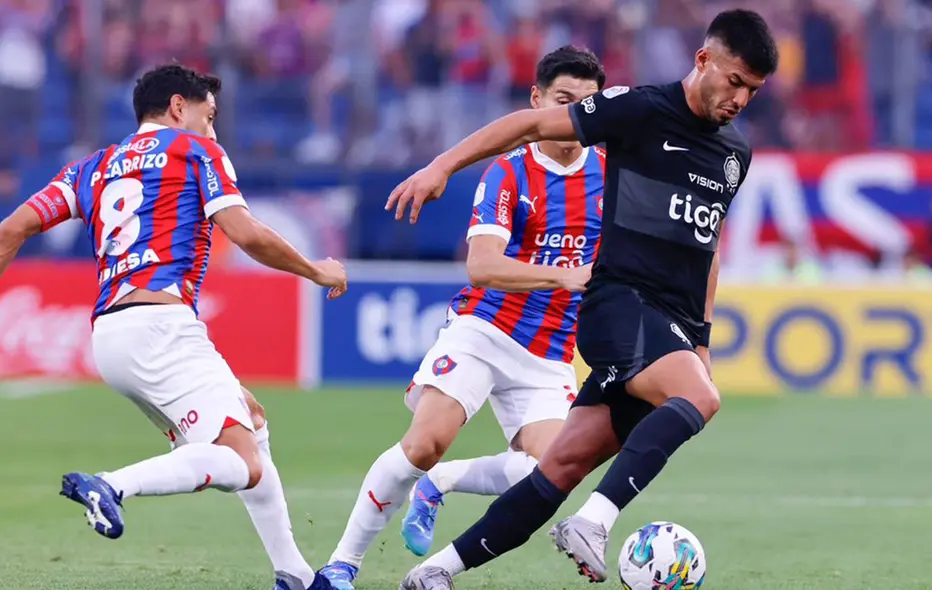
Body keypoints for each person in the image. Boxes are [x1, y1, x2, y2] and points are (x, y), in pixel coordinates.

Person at [388, 9, 779, 590]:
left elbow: (709, 248)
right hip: (618, 305)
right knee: (702, 398)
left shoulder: (732, 155)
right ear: (703, 61)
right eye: (735, 81)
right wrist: (441, 165)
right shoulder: (640, 109)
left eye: (753, 90)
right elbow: (530, 124)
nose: (740, 99)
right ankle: (595, 521)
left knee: (559, 467)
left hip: (668, 323)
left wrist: (700, 338)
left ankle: (435, 572)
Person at [0, 64, 347, 590]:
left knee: (250, 420)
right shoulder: (196, 151)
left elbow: (13, 228)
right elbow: (245, 234)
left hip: (110, 336)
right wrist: (315, 269)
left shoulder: (91, 167)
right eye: (209, 116)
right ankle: (111, 486)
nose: (214, 130)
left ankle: (294, 575)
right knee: (242, 462)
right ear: (180, 107)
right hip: (160, 325)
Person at [318, 46, 606, 590]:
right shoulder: (509, 173)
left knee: (555, 470)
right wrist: (563, 276)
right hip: (486, 329)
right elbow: (482, 265)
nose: (572, 120)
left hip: (549, 352)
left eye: (585, 108)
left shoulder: (611, 178)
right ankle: (341, 566)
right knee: (425, 442)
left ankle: (441, 484)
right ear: (537, 100)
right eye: (564, 102)